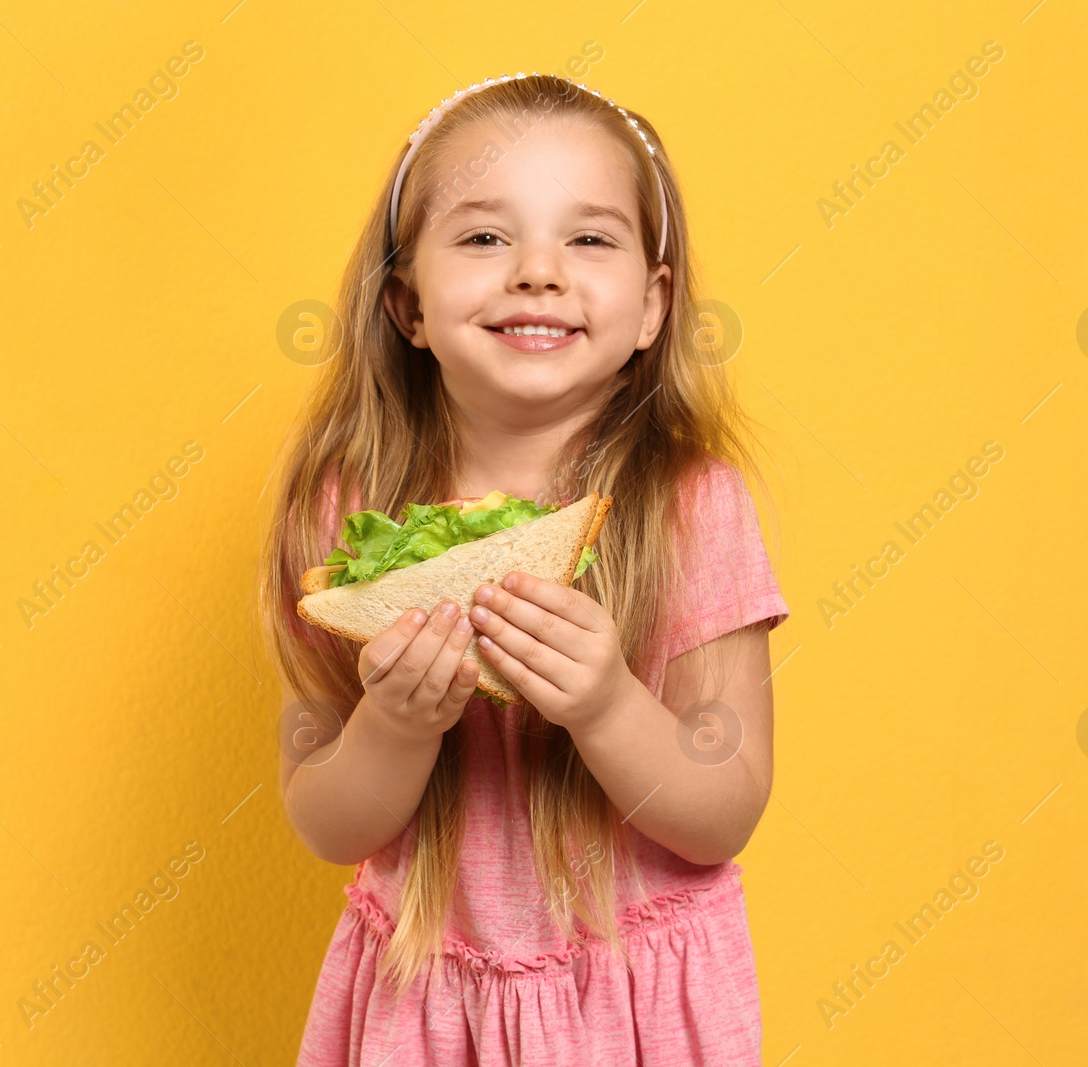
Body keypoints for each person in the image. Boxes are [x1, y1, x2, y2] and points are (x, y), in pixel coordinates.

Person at [261, 72, 790, 1066]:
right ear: (406, 302)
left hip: (633, 1008)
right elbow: (325, 819)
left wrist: (604, 705)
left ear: (651, 305)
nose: (537, 270)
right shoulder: (347, 508)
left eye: (587, 238)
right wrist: (395, 724)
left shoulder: (692, 504)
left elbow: (724, 812)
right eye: (483, 237)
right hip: (427, 998)